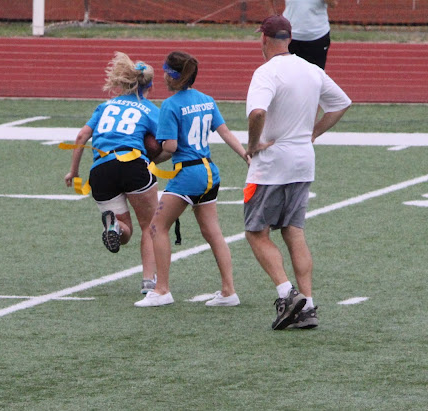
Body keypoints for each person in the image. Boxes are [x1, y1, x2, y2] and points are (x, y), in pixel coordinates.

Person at [245, 15, 351, 329]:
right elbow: (341, 103)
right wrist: (313, 133)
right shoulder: (311, 69)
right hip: (303, 160)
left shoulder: (266, 72)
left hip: (272, 164)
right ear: (289, 39)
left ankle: (287, 293)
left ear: (264, 39)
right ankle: (308, 305)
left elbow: (258, 112)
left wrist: (253, 144)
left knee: (256, 232)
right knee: (293, 230)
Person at [135, 51, 249, 308]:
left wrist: (151, 158)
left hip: (188, 174)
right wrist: (245, 155)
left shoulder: (170, 105)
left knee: (157, 227)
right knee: (213, 232)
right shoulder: (207, 100)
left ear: (172, 76)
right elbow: (225, 132)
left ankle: (162, 290)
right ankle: (229, 291)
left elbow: (171, 146)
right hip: (210, 172)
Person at [64, 52, 160, 294]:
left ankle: (114, 227)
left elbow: (81, 136)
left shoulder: (105, 106)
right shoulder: (150, 109)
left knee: (126, 230)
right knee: (149, 225)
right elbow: (166, 142)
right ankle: (149, 282)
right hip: (132, 164)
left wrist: (73, 171)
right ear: (150, 86)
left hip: (101, 169)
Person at [266, 0, 338, 70]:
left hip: (317, 35)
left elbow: (333, 4)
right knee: (286, 72)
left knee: (315, 74)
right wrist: (273, 18)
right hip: (289, 36)